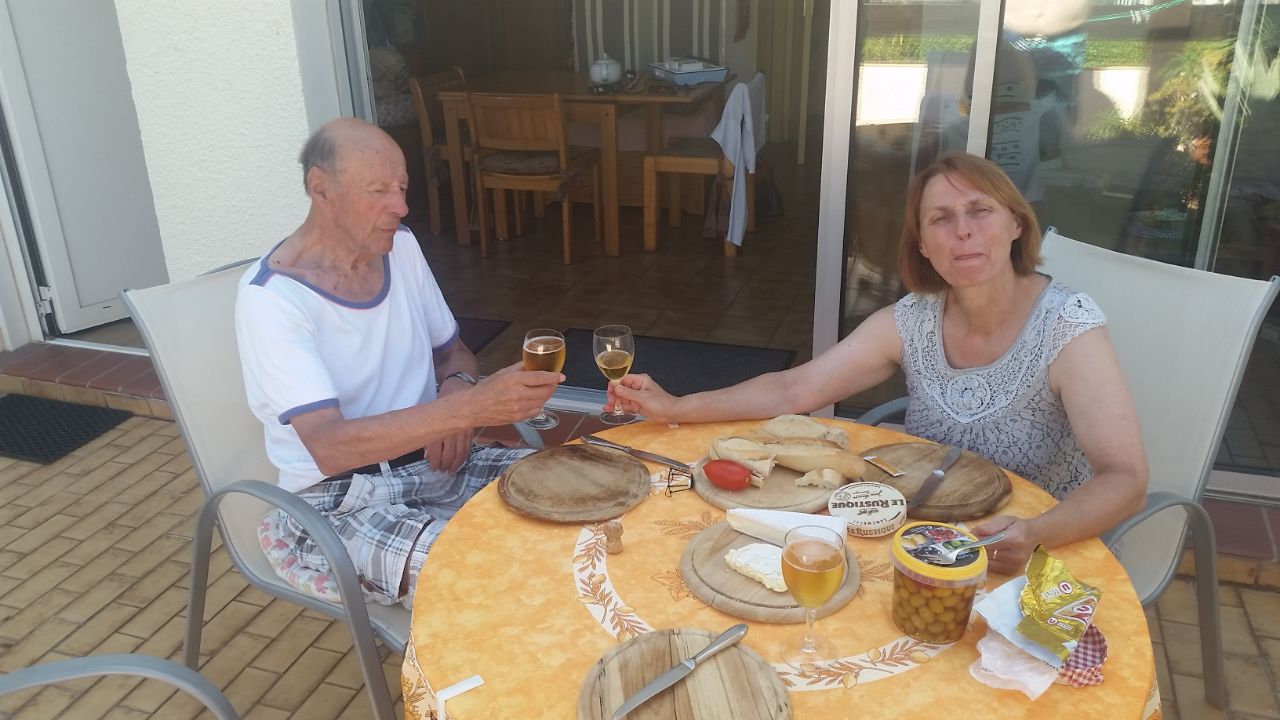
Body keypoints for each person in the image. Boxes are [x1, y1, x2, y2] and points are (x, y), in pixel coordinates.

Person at [608, 153, 1148, 575]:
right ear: (924, 246)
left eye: (980, 210)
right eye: (941, 219)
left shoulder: (1066, 327)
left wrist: (1036, 532)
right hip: (922, 542)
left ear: (1015, 224)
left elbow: (1125, 478)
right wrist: (677, 405)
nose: (963, 230)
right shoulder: (913, 319)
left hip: (1034, 553)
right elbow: (794, 390)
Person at [236, 117, 561, 608]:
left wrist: (457, 390)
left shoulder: (400, 247)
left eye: (402, 188)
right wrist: (467, 410)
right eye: (379, 191)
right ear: (321, 189)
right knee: (494, 578)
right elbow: (329, 447)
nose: (401, 206)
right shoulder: (273, 300)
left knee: (585, 493)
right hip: (340, 500)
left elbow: (452, 351)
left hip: (437, 465)